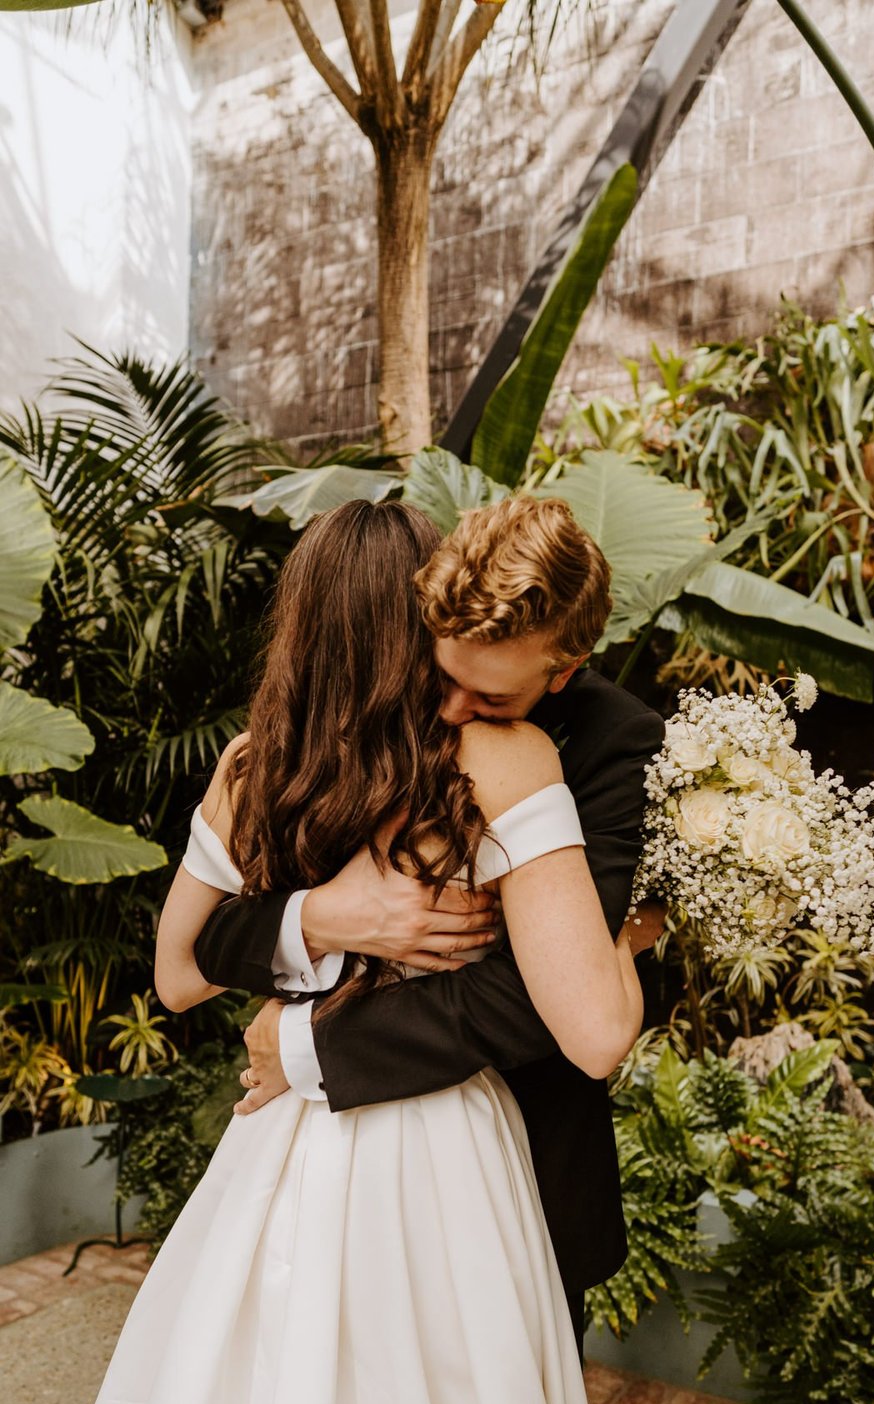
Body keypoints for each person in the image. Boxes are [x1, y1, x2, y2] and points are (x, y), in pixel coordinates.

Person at [60, 498, 644, 1404]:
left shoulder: (253, 765)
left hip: (283, 1141)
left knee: (253, 1402)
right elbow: (595, 1032)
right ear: (425, 615)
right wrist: (629, 943)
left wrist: (300, 989)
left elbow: (174, 972)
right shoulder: (506, 760)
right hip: (446, 1149)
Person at [189, 494, 667, 1355]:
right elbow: (213, 937)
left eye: (484, 694)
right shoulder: (364, 716)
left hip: (524, 1149)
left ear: (563, 669)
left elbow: (540, 997)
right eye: (437, 674)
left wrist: (305, 1046)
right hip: (346, 1155)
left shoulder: (613, 743)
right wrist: (321, 919)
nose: (444, 713)